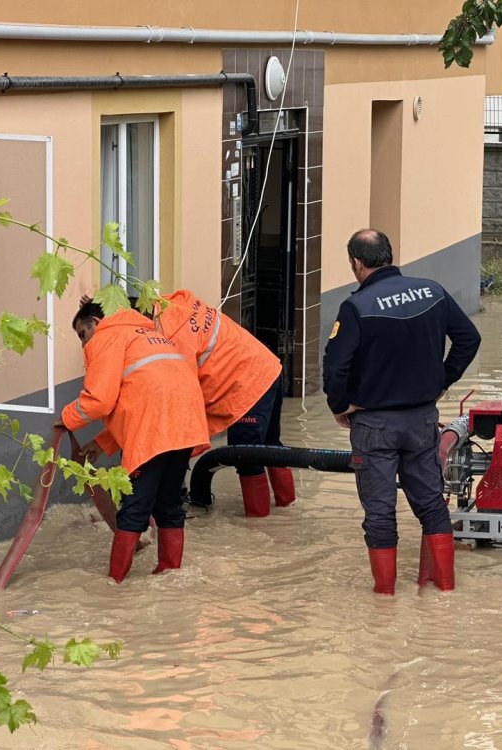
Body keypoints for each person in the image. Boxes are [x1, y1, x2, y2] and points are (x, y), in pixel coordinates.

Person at [322, 228, 481, 595]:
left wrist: (339, 405)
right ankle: (444, 589)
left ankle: (385, 600)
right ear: (390, 256)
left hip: (374, 424)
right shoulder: (432, 291)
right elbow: (469, 339)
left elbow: (335, 366)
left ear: (356, 263)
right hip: (423, 420)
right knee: (430, 505)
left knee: (380, 513)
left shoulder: (357, 306)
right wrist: (443, 380)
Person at [60, 300, 210, 583]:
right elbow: (140, 395)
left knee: (135, 506)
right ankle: (170, 573)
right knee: (169, 502)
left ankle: (115, 584)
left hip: (157, 427)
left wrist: (65, 418)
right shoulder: (148, 333)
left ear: (95, 321)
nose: (83, 345)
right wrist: (102, 443)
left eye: (82, 334)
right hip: (185, 423)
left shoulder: (105, 337)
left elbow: (100, 402)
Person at [154, 289, 294, 517]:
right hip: (267, 368)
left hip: (246, 386)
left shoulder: (173, 338)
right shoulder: (178, 307)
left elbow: (184, 394)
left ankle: (258, 525)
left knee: (246, 455)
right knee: (271, 446)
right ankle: (288, 509)